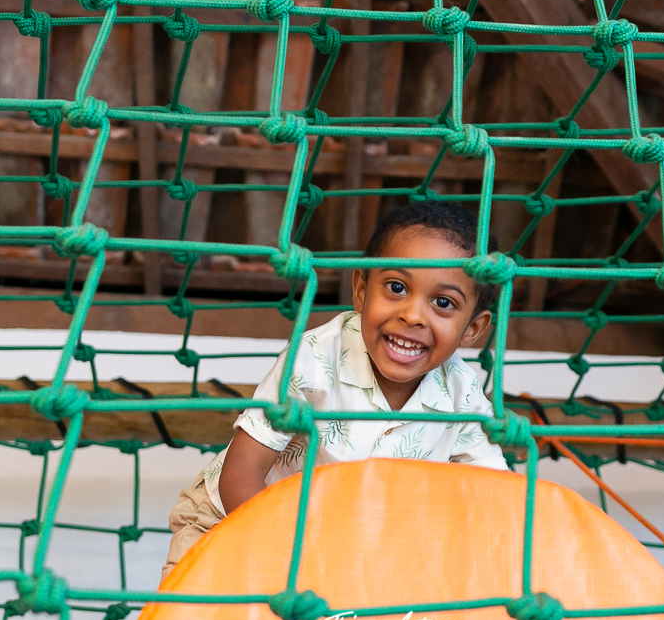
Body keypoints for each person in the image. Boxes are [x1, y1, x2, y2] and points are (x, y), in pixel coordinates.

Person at [162, 201, 508, 579]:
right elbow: (242, 471)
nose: (412, 315)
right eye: (396, 287)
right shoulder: (314, 357)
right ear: (361, 289)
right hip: (228, 517)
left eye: (443, 303)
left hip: (342, 551)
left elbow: (496, 493)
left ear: (473, 329)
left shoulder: (464, 395)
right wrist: (293, 559)